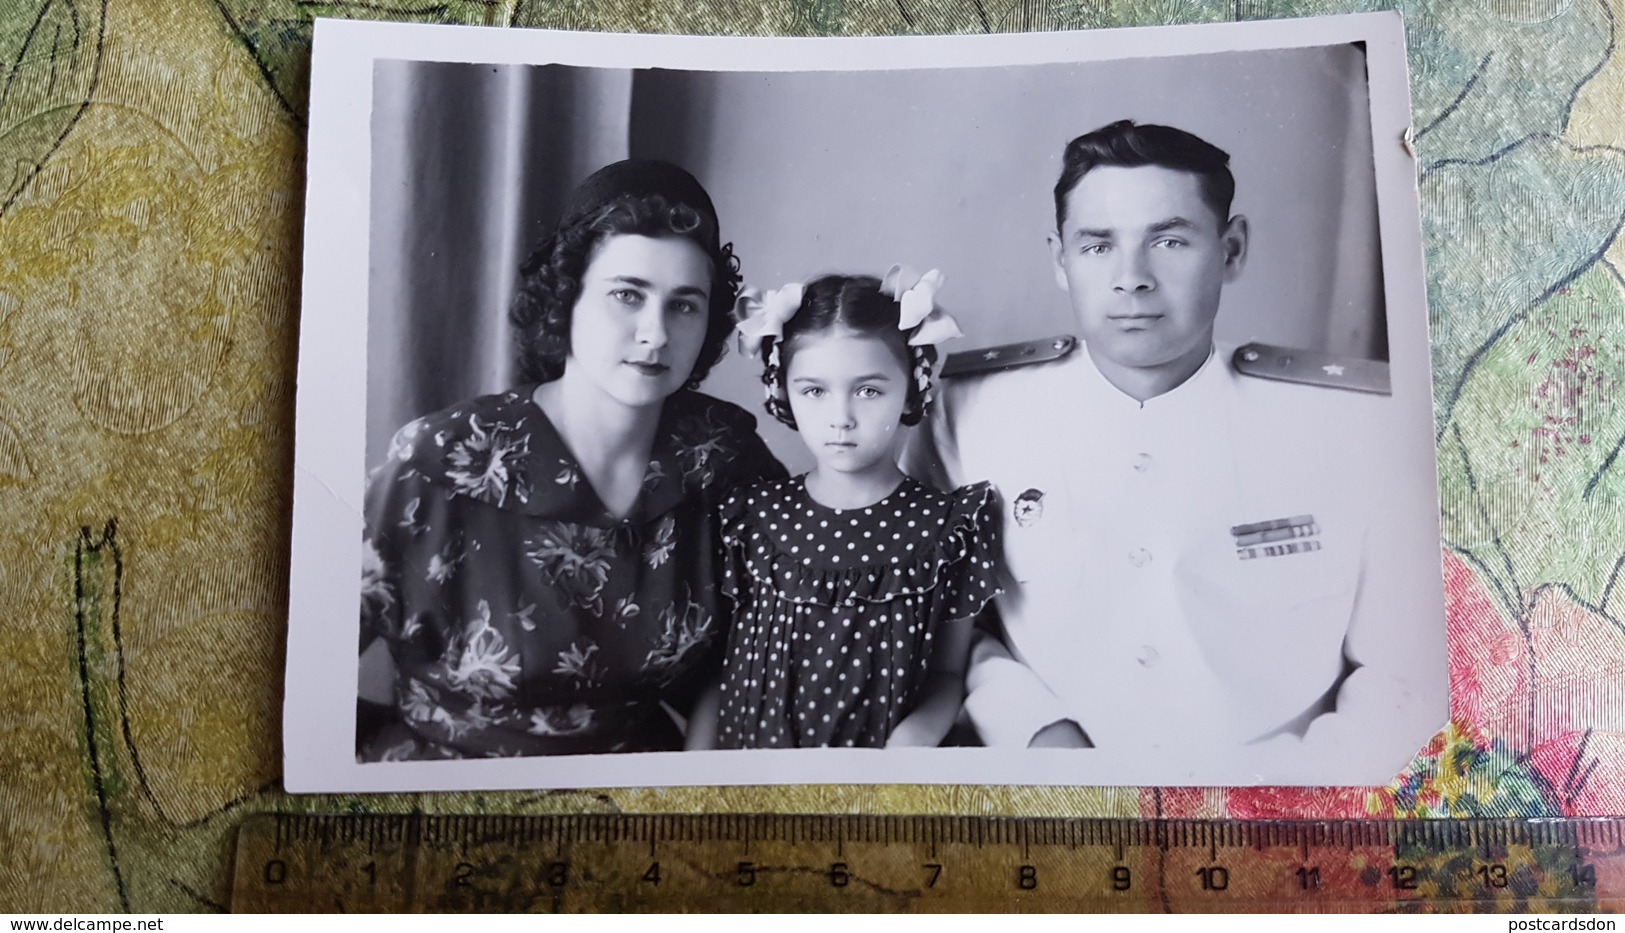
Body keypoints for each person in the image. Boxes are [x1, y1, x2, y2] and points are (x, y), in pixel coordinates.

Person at [907, 120, 1419, 765]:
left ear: (1231, 250)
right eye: (1096, 246)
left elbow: (1403, 666)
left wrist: (1295, 791)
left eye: (1170, 240)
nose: (1132, 278)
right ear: (1059, 259)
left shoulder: (1350, 422)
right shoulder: (964, 410)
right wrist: (1033, 727)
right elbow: (945, 625)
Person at [356, 160, 786, 760]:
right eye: (626, 296)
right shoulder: (436, 462)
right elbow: (297, 663)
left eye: (684, 305)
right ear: (567, 299)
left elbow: (750, 652)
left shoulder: (725, 461)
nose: (655, 333)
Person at [685, 269, 1002, 750]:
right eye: (814, 390)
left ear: (911, 387)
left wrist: (911, 741)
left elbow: (946, 671)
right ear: (782, 389)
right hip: (747, 778)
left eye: (869, 390)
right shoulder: (751, 517)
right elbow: (720, 670)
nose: (841, 418)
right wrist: (697, 775)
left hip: (876, 786)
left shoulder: (947, 527)